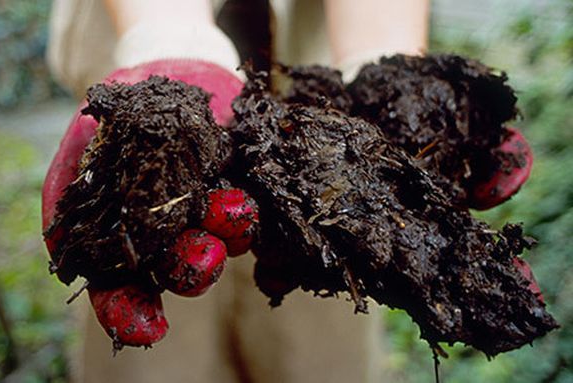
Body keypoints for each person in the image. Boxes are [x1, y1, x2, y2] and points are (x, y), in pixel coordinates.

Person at [45, 1, 429, 382]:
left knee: (318, 353)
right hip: (138, 34)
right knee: (154, 366)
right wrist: (169, 39)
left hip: (321, 136)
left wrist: (381, 61)